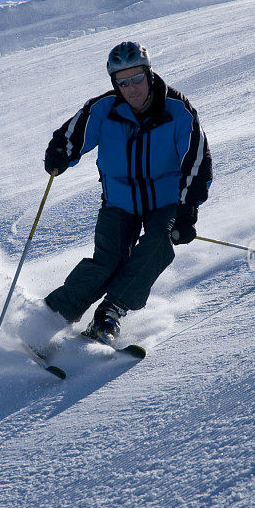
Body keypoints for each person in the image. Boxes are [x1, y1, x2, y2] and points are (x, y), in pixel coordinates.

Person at [42, 41, 212, 346]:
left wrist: (187, 213)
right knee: (108, 262)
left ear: (149, 74)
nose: (131, 88)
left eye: (136, 78)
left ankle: (110, 312)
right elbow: (72, 136)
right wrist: (60, 153)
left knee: (160, 240)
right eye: (123, 82)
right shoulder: (104, 109)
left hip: (166, 201)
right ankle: (51, 318)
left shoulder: (177, 110)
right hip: (119, 202)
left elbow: (197, 162)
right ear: (114, 83)